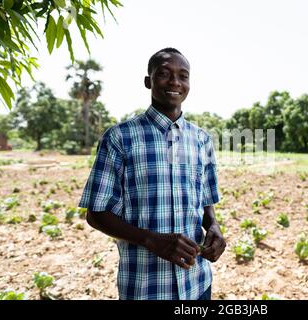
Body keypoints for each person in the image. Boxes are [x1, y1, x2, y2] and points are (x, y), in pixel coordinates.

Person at [79, 47, 226, 300]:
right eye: (164, 74)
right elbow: (96, 214)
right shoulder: (119, 138)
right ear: (148, 81)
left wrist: (214, 227)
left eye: (183, 75)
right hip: (145, 286)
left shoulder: (202, 140)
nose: (175, 82)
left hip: (197, 283)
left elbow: (205, 201)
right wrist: (150, 239)